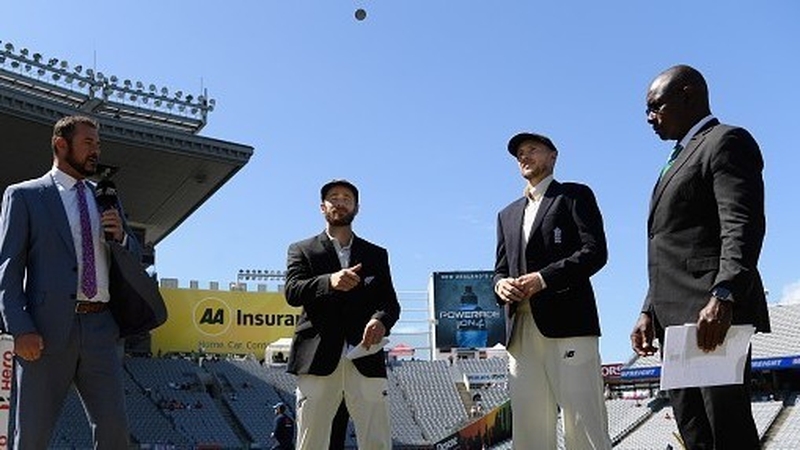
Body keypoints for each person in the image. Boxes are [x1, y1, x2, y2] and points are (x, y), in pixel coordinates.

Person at [630, 64, 770, 449]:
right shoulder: (676, 158)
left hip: (711, 314)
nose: (649, 118)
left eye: (655, 106)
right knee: (695, 433)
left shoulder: (726, 141)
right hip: (674, 321)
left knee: (727, 431)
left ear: (687, 95)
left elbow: (741, 225)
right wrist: (648, 310)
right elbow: (671, 243)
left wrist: (724, 294)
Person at [0, 115, 141, 449]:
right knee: (32, 436)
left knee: (115, 432)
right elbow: (6, 269)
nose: (96, 151)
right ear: (61, 145)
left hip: (101, 328)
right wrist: (19, 328)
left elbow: (133, 254)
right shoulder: (24, 196)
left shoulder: (106, 197)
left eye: (98, 144)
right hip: (44, 331)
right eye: (88, 143)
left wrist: (121, 238)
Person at [494, 132, 612, 449]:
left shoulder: (574, 196)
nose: (524, 156)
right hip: (520, 330)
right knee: (529, 428)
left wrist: (543, 279)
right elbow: (501, 268)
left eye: (532, 149)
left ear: (553, 157)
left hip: (569, 324)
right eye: (519, 153)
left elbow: (595, 252)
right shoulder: (506, 214)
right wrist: (500, 285)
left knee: (583, 423)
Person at [284, 179, 401, 450]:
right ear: (322, 207)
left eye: (346, 197)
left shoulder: (376, 254)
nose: (340, 201)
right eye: (333, 197)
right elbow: (292, 292)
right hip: (317, 356)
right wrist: (329, 281)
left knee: (377, 441)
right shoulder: (302, 249)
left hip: (365, 355)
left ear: (356, 207)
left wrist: (379, 321)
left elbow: (390, 304)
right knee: (311, 441)